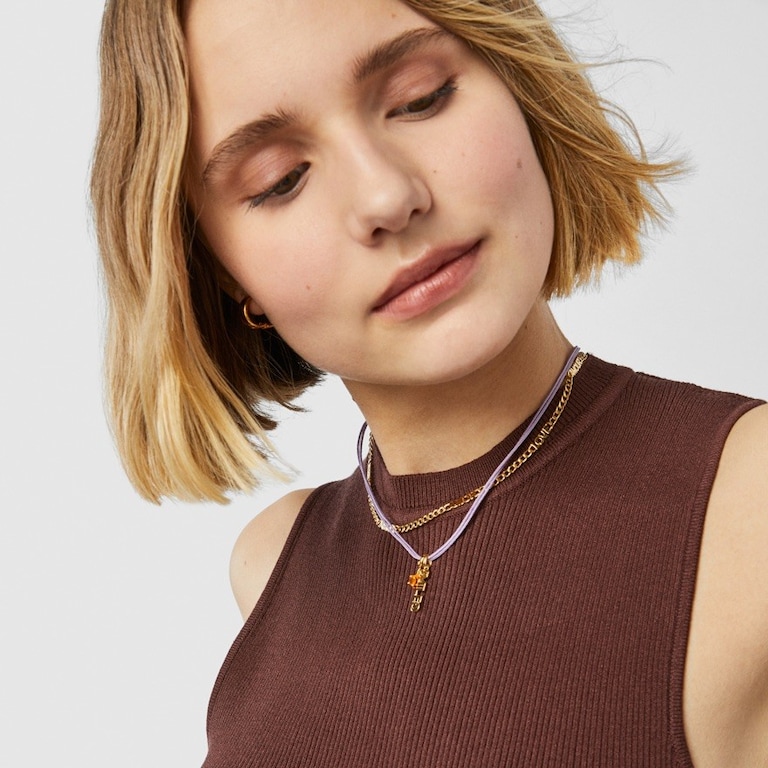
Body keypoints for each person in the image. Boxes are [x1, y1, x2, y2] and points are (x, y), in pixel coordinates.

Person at [90, 0, 767, 765]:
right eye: (282, 180)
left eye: (420, 99)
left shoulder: (750, 510)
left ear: (518, 81)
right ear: (218, 270)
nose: (388, 197)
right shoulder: (272, 561)